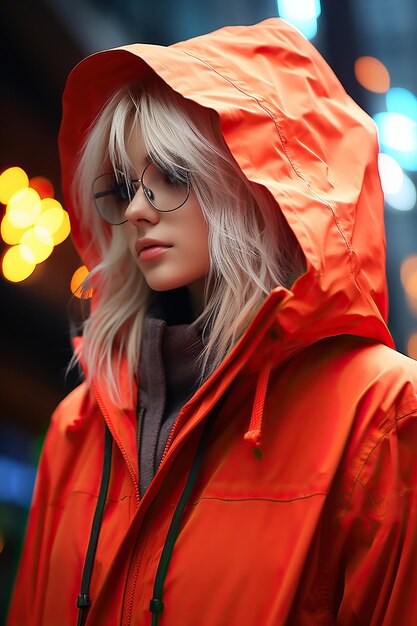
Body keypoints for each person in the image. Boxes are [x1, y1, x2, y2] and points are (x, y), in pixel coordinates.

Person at [7, 17, 417, 626]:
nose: (139, 210)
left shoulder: (382, 414)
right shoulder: (80, 425)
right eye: (124, 187)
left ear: (258, 184)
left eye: (171, 176)